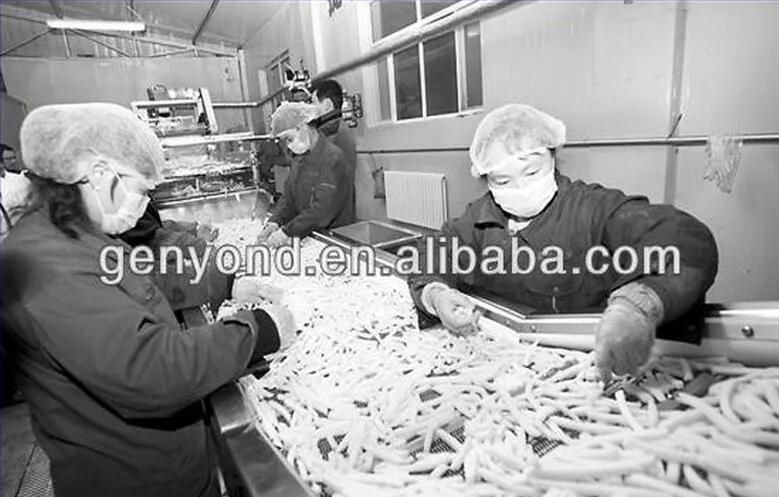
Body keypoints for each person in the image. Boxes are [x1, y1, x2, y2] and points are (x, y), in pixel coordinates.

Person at [1, 102, 296, 497]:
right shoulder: (44, 264)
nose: (143, 209)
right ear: (100, 174)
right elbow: (150, 372)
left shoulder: (76, 236)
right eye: (141, 190)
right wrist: (257, 330)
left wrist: (223, 283)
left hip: (167, 482)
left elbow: (141, 279)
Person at [407, 104, 718, 380]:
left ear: (553, 158)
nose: (520, 188)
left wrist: (638, 305)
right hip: (511, 368)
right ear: (486, 179)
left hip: (593, 365)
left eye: (532, 171)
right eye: (503, 180)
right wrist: (436, 293)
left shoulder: (592, 210)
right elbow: (431, 253)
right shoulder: (478, 219)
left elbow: (685, 239)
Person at [257, 101, 354, 247]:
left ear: (302, 127)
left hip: (334, 239)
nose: (289, 145)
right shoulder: (300, 159)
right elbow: (288, 198)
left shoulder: (333, 158)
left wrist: (287, 232)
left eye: (289, 139)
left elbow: (322, 210)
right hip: (309, 234)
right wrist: (275, 221)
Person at [310, 79, 357, 195]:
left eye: (314, 102)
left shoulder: (331, 131)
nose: (310, 108)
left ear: (327, 105)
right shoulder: (339, 125)